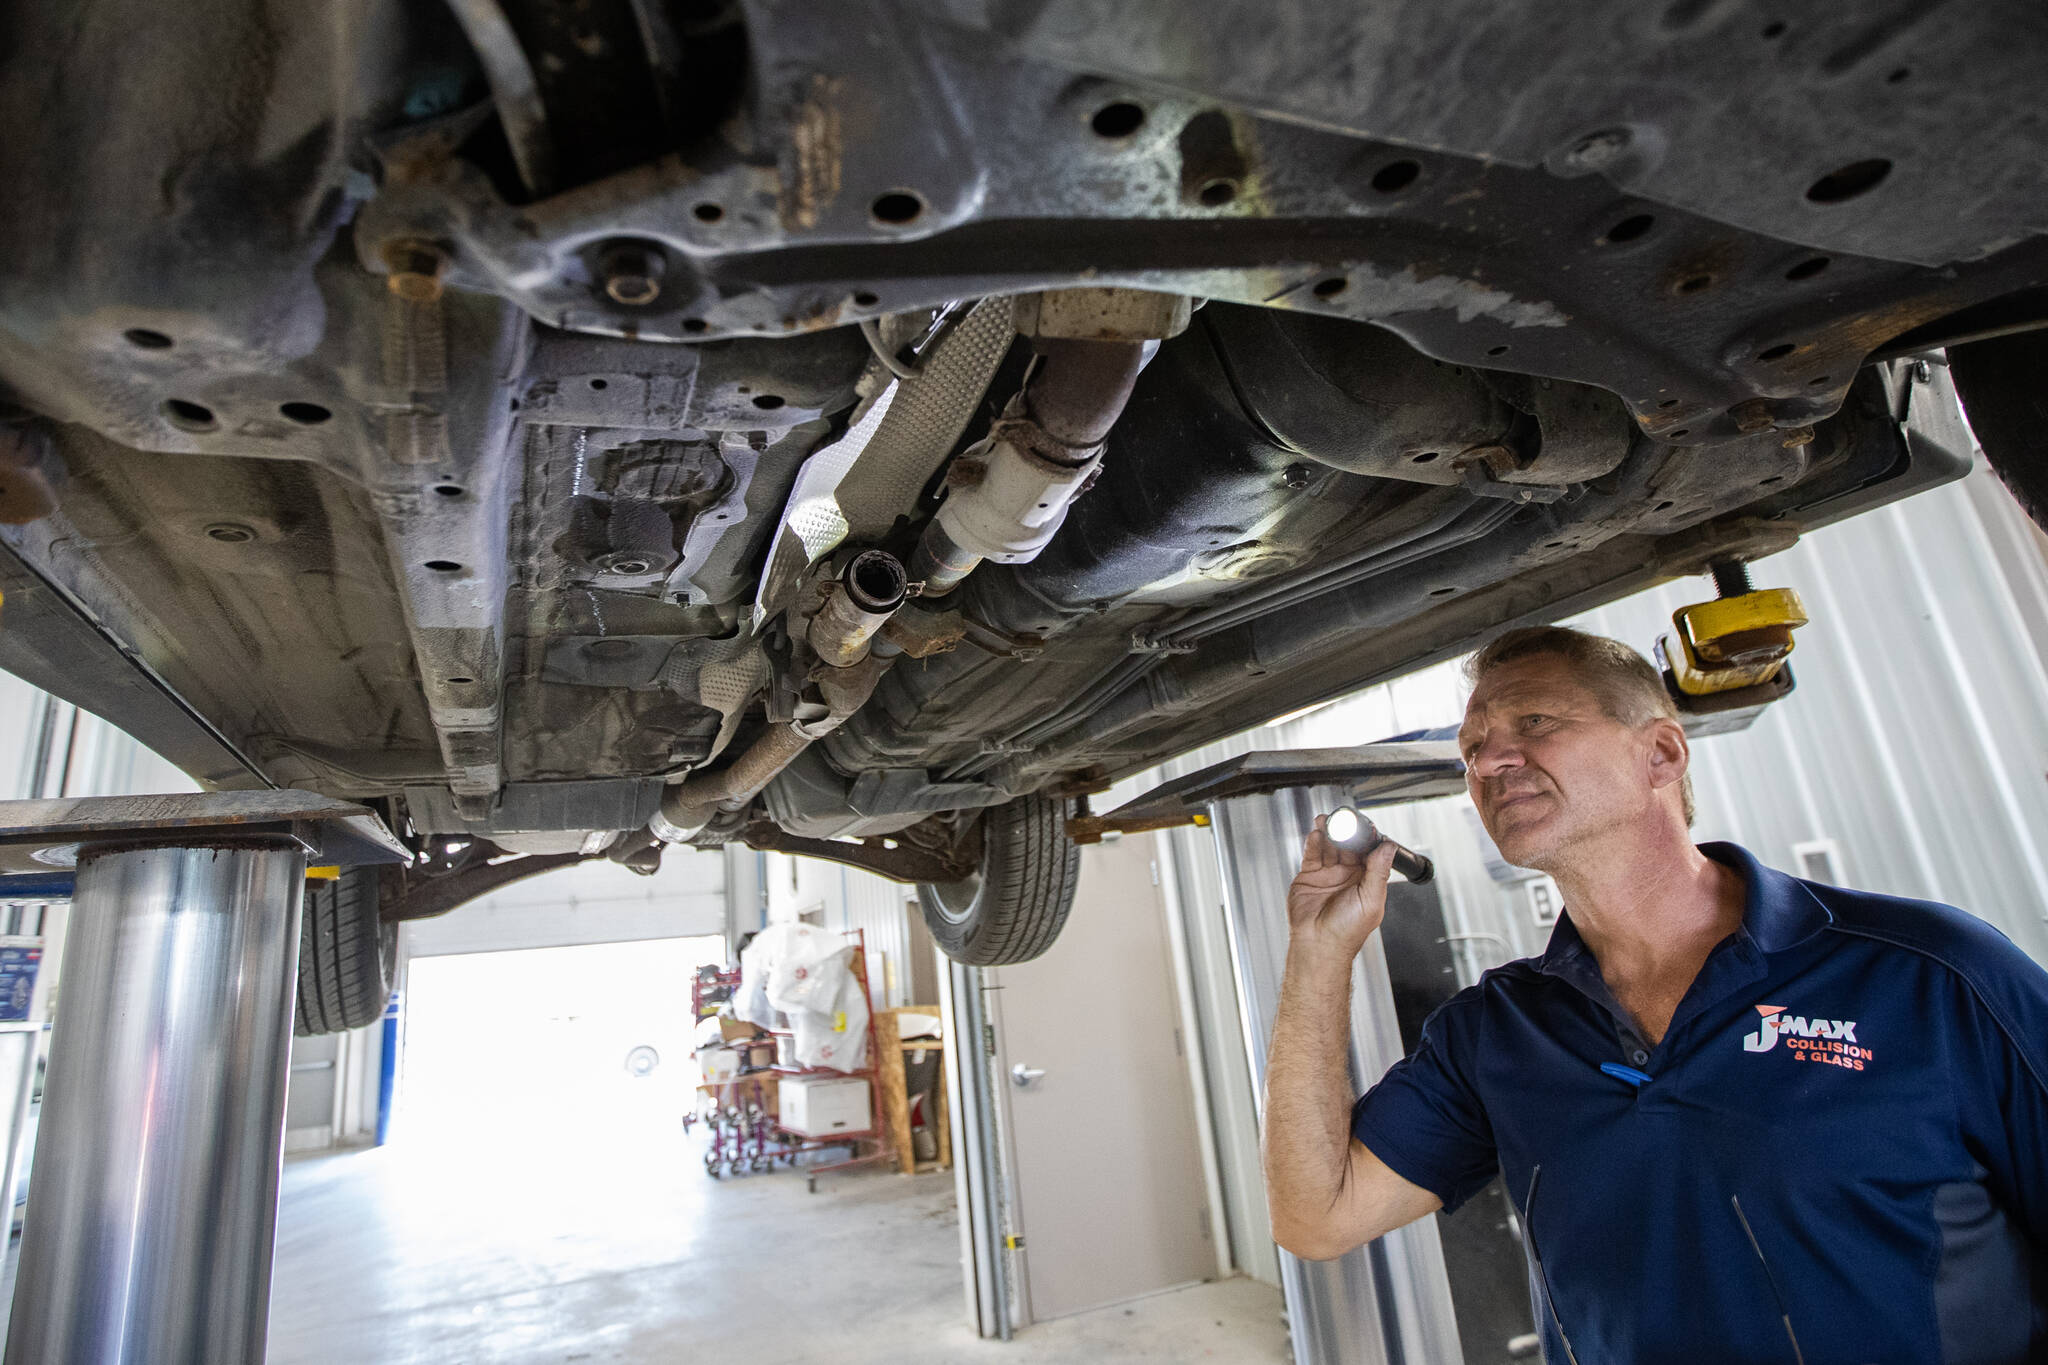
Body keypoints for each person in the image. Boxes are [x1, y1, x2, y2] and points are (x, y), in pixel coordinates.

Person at [1263, 625, 2048, 1363]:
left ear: (1663, 754)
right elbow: (1316, 1215)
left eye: (1533, 720)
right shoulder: (1495, 1031)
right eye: (1472, 747)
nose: (1490, 759)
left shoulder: (1931, 972)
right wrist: (1318, 952)